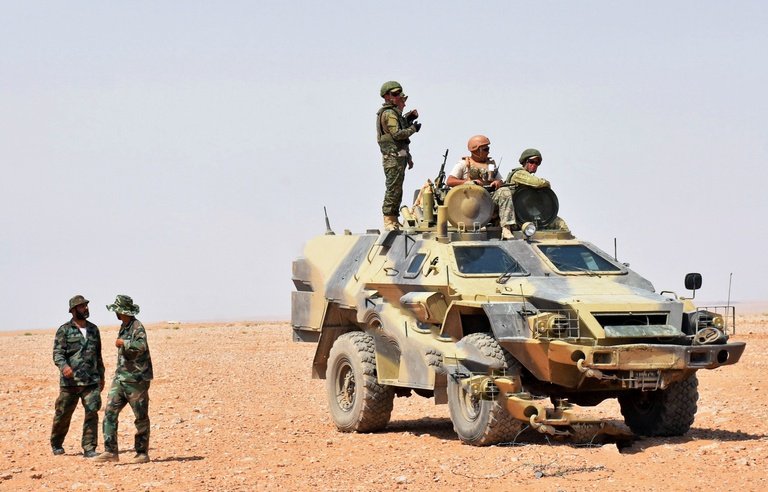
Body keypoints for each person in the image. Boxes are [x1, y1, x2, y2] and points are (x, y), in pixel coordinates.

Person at [93, 295, 154, 464]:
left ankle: (142, 454)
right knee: (109, 413)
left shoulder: (137, 326)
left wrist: (124, 343)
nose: (116, 313)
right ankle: (110, 451)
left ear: (122, 311)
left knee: (140, 417)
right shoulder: (124, 326)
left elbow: (141, 346)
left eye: (117, 310)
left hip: (136, 380)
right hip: (120, 379)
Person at [51, 295, 105, 458]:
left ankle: (89, 448)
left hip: (91, 380)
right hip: (70, 382)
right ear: (73, 310)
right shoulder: (64, 330)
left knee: (92, 412)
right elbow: (58, 353)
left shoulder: (94, 329)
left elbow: (98, 355)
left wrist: (101, 376)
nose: (86, 308)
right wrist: (64, 366)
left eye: (86, 305)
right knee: (63, 414)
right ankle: (56, 443)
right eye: (82, 306)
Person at [446, 135, 516, 239]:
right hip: (470, 201)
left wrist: (498, 182)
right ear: (476, 150)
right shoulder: (464, 164)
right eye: (485, 149)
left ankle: (506, 228)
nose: (488, 152)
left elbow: (501, 180)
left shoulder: (490, 165)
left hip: (489, 199)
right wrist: (468, 182)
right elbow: (450, 181)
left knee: (505, 191)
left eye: (488, 149)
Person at [377, 80, 421, 231]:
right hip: (392, 157)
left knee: (397, 189)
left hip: (397, 156)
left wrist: (408, 157)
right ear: (387, 96)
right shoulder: (389, 113)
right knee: (393, 189)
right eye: (396, 95)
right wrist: (413, 129)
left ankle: (394, 220)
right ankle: (389, 220)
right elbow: (397, 134)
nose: (401, 100)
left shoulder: (393, 113)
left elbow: (400, 137)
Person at [506, 148, 569, 231]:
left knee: (560, 224)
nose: (534, 165)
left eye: (537, 163)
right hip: (518, 216)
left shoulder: (529, 177)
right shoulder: (518, 174)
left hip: (532, 213)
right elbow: (538, 183)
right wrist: (546, 182)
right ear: (524, 162)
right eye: (531, 162)